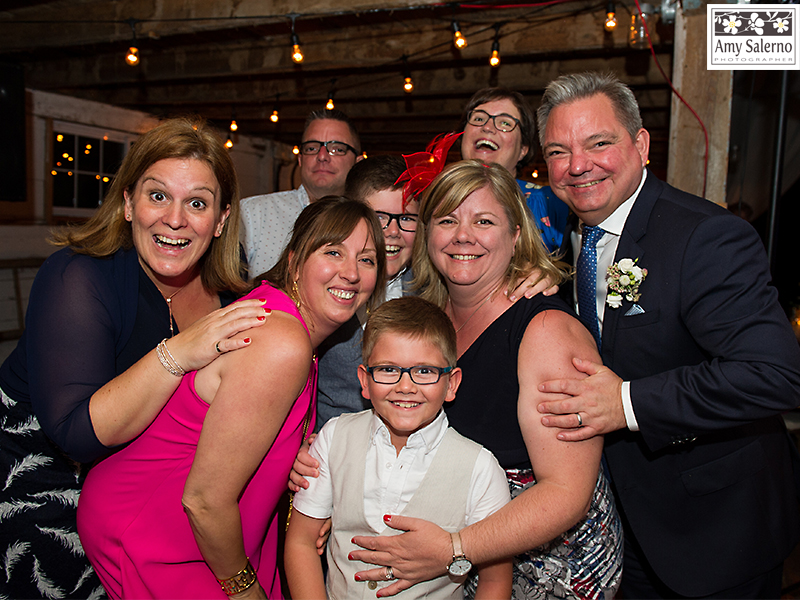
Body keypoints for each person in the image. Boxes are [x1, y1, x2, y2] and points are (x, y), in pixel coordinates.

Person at [534, 72, 800, 598]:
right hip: (619, 530)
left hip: (714, 532)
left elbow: (774, 374)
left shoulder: (705, 236)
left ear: (641, 144)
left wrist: (627, 403)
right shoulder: (569, 242)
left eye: (599, 143)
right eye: (558, 151)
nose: (578, 165)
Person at [0, 117, 269, 599]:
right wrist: (178, 353)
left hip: (141, 486)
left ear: (223, 219)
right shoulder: (77, 278)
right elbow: (76, 434)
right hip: (40, 477)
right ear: (128, 203)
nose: (174, 219)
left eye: (198, 203)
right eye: (158, 195)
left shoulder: (228, 290)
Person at [77, 196, 386, 599]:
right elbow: (204, 500)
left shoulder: (282, 317)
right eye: (333, 252)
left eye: (367, 259)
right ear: (294, 260)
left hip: (196, 523)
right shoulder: (281, 341)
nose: (350, 273)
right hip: (159, 529)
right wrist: (243, 590)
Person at [347, 160, 623, 599]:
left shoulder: (545, 331)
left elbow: (567, 492)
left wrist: (455, 548)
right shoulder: (433, 319)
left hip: (546, 568)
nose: (463, 235)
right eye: (447, 220)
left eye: (484, 221)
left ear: (515, 236)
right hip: (456, 557)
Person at [285, 296, 512, 599]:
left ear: (451, 383)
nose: (405, 386)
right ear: (365, 381)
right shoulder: (334, 437)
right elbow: (301, 543)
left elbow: (495, 582)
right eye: (389, 370)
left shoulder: (480, 468)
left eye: (425, 371)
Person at [240, 109, 363, 277]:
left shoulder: (371, 222)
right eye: (312, 148)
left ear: (358, 163)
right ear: (300, 159)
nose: (322, 156)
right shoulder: (253, 214)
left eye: (337, 149)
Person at [459, 87, 569, 253]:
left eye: (505, 123)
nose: (487, 127)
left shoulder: (549, 204)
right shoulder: (435, 200)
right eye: (479, 118)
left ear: (523, 149)